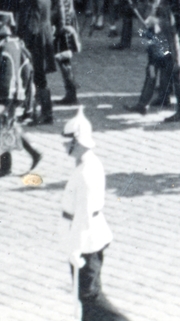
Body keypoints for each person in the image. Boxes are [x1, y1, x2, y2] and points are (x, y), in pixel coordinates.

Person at [61, 108, 128, 320]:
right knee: (86, 297)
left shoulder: (85, 172)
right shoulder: (88, 163)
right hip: (88, 235)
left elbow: (84, 215)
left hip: (87, 239)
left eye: (67, 141)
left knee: (89, 295)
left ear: (78, 140)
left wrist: (76, 248)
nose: (64, 145)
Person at [0, 8, 42, 178]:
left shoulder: (4, 46)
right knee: (7, 125)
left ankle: (6, 166)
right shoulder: (15, 43)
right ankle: (32, 153)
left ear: (4, 26)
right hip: (10, 96)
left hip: (5, 95)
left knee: (2, 127)